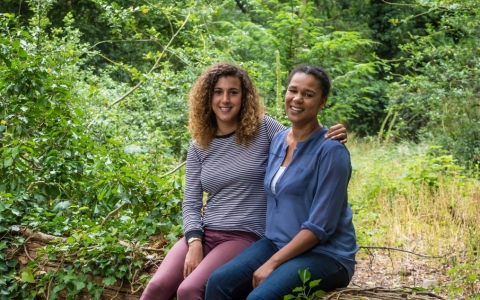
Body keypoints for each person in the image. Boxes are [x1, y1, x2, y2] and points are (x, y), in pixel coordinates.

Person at [140, 63, 348, 300]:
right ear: (207, 97)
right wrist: (195, 240)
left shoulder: (266, 130)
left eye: (233, 92)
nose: (225, 99)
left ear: (244, 96)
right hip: (209, 232)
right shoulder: (199, 145)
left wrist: (333, 133)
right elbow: (190, 203)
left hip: (246, 233)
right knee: (156, 288)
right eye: (218, 92)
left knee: (189, 290)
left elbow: (303, 134)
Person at [204, 64, 358, 300]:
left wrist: (272, 263)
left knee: (259, 298)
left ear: (322, 101)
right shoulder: (277, 139)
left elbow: (320, 228)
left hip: (326, 254)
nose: (297, 99)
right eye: (293, 90)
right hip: (276, 242)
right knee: (218, 282)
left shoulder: (331, 151)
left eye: (308, 94)